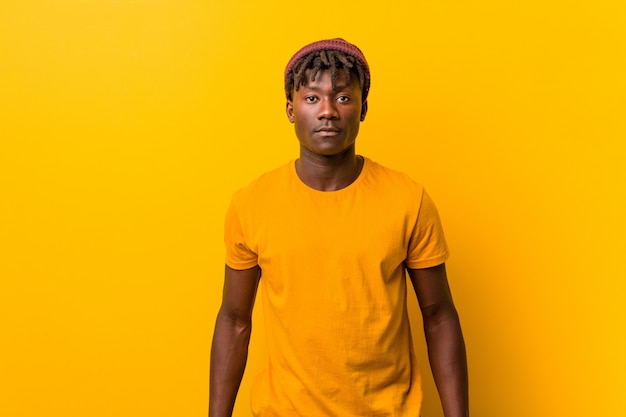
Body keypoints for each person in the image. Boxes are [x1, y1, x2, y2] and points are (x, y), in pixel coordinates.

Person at [209, 38, 468, 417]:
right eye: (312, 98)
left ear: (362, 109)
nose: (328, 111)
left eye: (343, 98)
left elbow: (439, 316)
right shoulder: (251, 203)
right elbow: (234, 320)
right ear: (290, 109)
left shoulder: (408, 199)